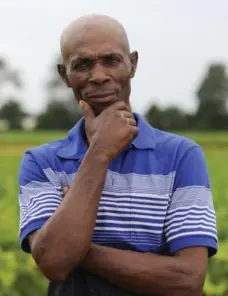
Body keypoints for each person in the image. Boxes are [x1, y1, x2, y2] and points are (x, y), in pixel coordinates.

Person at [18, 14, 218, 296]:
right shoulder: (42, 162)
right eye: (82, 64)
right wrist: (99, 152)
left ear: (132, 64)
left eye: (111, 60)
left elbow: (186, 281)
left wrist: (74, 247)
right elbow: (54, 264)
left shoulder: (181, 157)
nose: (98, 76)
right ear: (65, 75)